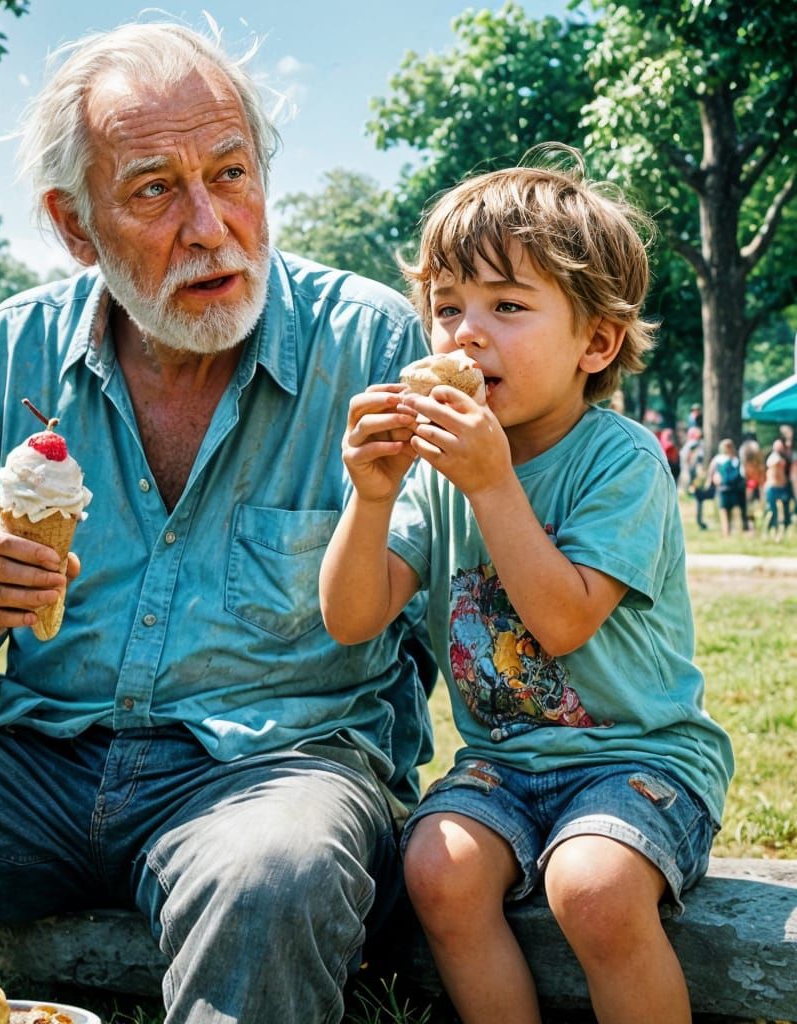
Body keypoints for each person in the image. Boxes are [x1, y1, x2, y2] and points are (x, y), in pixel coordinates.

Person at [0, 20, 437, 1021]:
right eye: (154, 190)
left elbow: (448, 630)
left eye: (231, 172)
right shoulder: (11, 352)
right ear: (74, 225)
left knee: (270, 873)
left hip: (275, 771)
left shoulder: (370, 340)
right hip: (37, 767)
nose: (211, 224)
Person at [319, 148, 733, 1024]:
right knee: (436, 868)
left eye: (507, 306)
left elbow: (565, 621)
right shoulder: (436, 476)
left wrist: (491, 483)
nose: (467, 333)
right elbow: (351, 616)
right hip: (505, 763)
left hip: (641, 758)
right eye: (446, 308)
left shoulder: (619, 459)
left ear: (596, 341)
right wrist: (371, 495)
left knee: (591, 886)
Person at [710, 437, 745, 536]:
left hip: (724, 488)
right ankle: (731, 532)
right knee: (731, 511)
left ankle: (727, 532)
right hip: (733, 488)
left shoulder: (718, 460)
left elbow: (712, 473)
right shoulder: (735, 460)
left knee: (725, 511)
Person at [764, 438, 792, 541]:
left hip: (781, 488)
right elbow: (773, 464)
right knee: (772, 512)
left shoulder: (784, 459)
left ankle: (779, 534)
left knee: (782, 512)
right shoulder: (773, 459)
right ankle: (769, 532)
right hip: (773, 488)